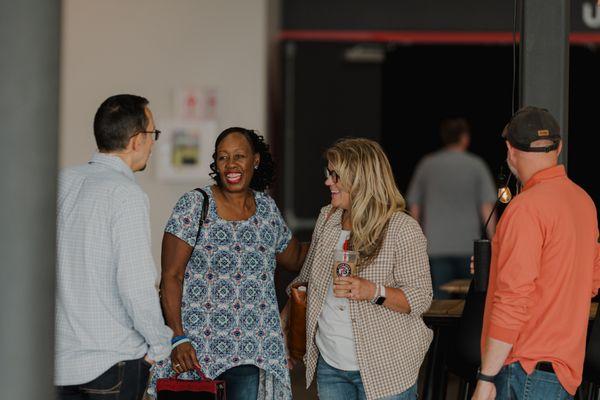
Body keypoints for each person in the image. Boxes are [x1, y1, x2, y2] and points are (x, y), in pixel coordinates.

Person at [148, 127, 308, 400]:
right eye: (223, 158)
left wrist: (337, 229)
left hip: (250, 350)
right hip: (196, 352)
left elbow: (294, 258)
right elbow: (171, 275)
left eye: (239, 156)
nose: (231, 164)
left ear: (254, 160)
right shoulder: (194, 205)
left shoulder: (267, 209)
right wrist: (178, 337)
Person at [288, 138, 433, 400]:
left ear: (360, 178)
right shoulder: (327, 217)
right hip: (331, 364)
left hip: (386, 369)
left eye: (335, 175)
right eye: (328, 173)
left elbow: (421, 298)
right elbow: (306, 279)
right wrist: (285, 333)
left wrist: (373, 291)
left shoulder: (401, 228)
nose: (328, 182)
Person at [472, 107, 600, 399]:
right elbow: (591, 281)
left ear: (509, 150)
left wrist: (486, 377)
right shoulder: (584, 202)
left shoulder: (524, 208)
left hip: (522, 370)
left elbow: (513, 298)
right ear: (559, 147)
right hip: (561, 372)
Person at [55, 94, 172, 399]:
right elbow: (135, 285)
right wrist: (160, 347)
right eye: (153, 135)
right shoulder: (126, 194)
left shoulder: (61, 182)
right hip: (112, 363)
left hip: (57, 362)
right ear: (136, 140)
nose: (153, 143)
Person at [407, 117, 497, 299]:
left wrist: (415, 242)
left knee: (440, 306)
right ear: (465, 138)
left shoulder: (427, 165)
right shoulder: (476, 165)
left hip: (436, 247)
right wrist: (494, 241)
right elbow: (487, 206)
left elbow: (414, 206)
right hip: (468, 247)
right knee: (472, 303)